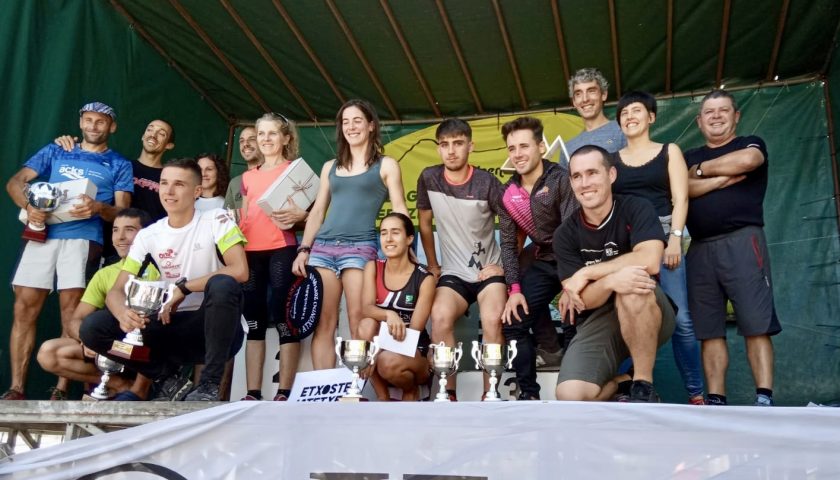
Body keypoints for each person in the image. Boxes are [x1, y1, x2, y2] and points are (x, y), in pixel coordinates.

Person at [80, 157, 249, 401]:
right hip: (166, 328)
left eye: (179, 184)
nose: (168, 191)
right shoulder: (149, 235)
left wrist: (184, 287)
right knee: (93, 329)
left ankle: (208, 386)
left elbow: (240, 270)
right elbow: (116, 291)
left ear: (197, 192)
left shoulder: (216, 219)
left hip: (213, 331)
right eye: (164, 183)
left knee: (224, 284)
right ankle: (166, 378)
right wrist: (123, 314)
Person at [2, 102, 133, 400]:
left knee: (71, 312)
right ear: (80, 122)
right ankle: (17, 388)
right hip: (42, 234)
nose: (93, 126)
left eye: (100, 121)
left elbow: (123, 211)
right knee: (24, 308)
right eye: (88, 120)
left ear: (112, 127)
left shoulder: (119, 163)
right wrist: (29, 207)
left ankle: (60, 389)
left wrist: (99, 208)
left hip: (83, 238)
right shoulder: (58, 149)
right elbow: (15, 182)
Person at [553, 145, 675, 403]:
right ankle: (624, 382)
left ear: (611, 175)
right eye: (577, 176)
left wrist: (589, 272)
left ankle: (643, 386)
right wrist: (610, 281)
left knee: (631, 286)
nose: (585, 183)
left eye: (592, 173)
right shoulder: (565, 234)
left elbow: (650, 260)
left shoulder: (636, 208)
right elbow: (580, 300)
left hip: (648, 308)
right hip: (599, 319)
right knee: (570, 396)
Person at [292, 99, 407, 370]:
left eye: (357, 121)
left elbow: (400, 208)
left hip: (361, 248)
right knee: (324, 323)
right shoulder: (330, 166)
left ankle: (355, 386)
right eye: (345, 122)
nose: (351, 127)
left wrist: (403, 247)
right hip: (322, 249)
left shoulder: (387, 165)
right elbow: (318, 212)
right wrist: (304, 249)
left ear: (371, 125)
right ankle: (325, 387)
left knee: (359, 319)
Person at [684, 89, 782, 406]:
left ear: (736, 116)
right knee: (709, 330)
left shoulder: (750, 143)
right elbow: (682, 187)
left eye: (723, 110)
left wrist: (703, 171)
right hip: (700, 248)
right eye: (709, 112)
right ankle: (716, 401)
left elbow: (749, 160)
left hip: (744, 241)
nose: (716, 116)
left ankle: (764, 399)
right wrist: (722, 177)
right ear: (699, 121)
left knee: (756, 324)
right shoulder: (688, 156)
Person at [610, 91, 705, 405]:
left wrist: (675, 238)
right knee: (628, 316)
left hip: (666, 241)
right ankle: (630, 390)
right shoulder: (612, 161)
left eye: (636, 111)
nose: (630, 117)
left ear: (651, 117)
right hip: (629, 248)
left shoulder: (669, 151)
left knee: (682, 321)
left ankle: (696, 394)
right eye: (624, 113)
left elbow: (681, 198)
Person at [417, 118, 507, 401]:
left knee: (492, 319)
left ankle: (490, 395)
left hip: (488, 271)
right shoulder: (429, 177)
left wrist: (504, 264)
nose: (451, 150)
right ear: (438, 148)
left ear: (471, 146)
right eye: (444, 144)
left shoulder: (487, 181)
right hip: (454, 272)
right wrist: (433, 264)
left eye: (458, 143)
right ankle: (448, 393)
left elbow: (513, 223)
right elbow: (424, 223)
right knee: (440, 316)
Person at [37, 208, 157, 400]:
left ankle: (139, 391)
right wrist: (87, 340)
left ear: (146, 235)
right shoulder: (104, 274)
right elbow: (76, 319)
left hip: (146, 351)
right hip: (114, 348)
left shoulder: (159, 268)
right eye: (115, 230)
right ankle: (120, 385)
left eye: (129, 230)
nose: (120, 237)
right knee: (48, 353)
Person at [498, 116, 577, 401]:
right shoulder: (508, 193)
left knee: (574, 317)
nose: (517, 154)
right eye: (512, 148)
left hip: (575, 260)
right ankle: (528, 395)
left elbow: (571, 232)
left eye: (524, 146)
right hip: (544, 259)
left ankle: (576, 389)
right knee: (514, 321)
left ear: (541, 147)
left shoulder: (561, 178)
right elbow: (508, 245)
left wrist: (570, 284)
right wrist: (514, 290)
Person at [238, 113, 308, 401]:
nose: (265, 139)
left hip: (282, 248)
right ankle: (252, 392)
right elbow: (244, 218)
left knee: (283, 317)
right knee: (253, 321)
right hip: (250, 252)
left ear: (286, 138)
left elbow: (311, 215)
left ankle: (284, 392)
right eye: (261, 134)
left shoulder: (296, 171)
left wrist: (301, 218)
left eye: (272, 133)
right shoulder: (247, 177)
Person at [357, 213, 435, 401]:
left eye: (395, 232)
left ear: (409, 239)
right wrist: (389, 315)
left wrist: (375, 354)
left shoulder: (424, 278)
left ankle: (411, 390)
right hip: (382, 349)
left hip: (414, 353)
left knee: (386, 360)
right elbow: (366, 308)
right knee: (366, 325)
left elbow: (414, 331)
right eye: (384, 233)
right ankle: (383, 398)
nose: (388, 239)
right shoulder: (373, 267)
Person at [56, 119, 175, 221]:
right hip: (113, 236)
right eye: (150, 130)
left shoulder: (169, 177)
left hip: (150, 237)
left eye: (161, 134)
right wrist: (67, 144)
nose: (153, 135)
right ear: (143, 136)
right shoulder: (119, 166)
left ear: (169, 145)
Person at [564, 68, 627, 156]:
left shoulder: (623, 130)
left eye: (591, 91)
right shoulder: (568, 148)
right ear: (574, 101)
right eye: (578, 94)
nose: (585, 99)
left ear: (604, 95)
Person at [224, 126, 264, 217]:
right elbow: (227, 219)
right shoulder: (235, 182)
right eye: (241, 141)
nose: (245, 144)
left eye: (252, 139)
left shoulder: (275, 176)